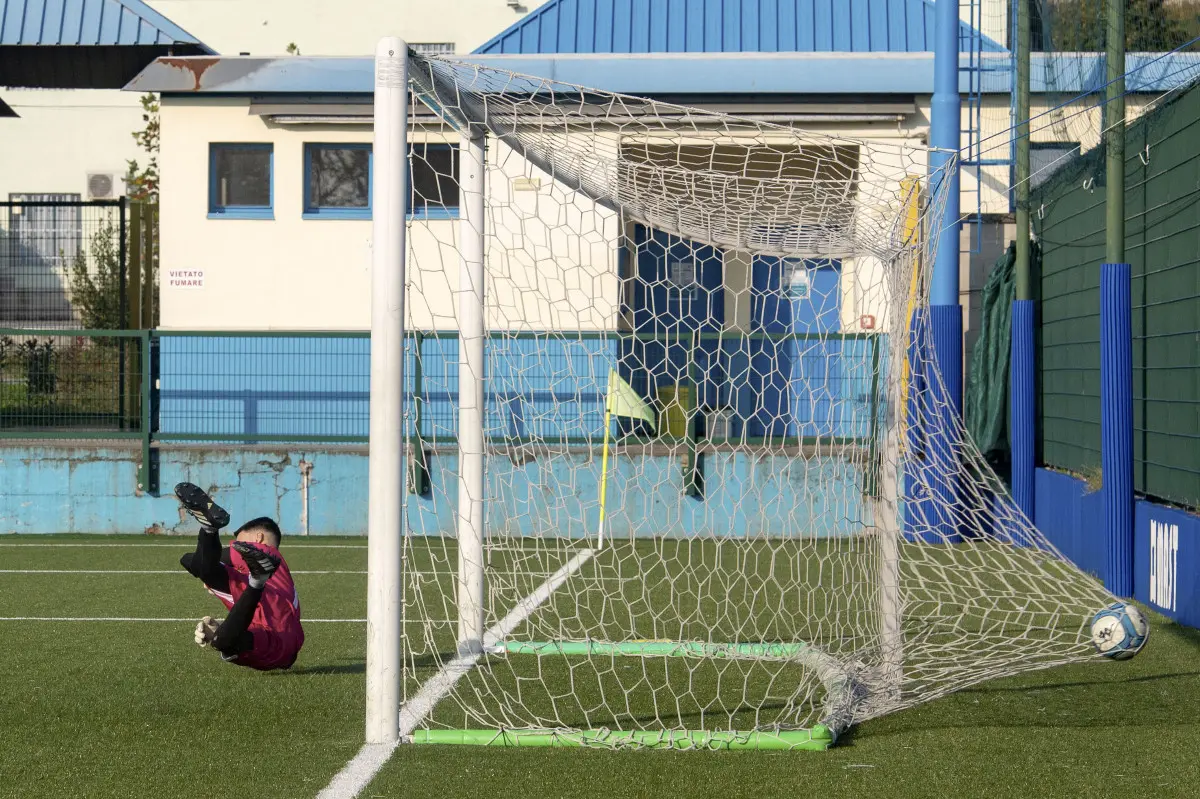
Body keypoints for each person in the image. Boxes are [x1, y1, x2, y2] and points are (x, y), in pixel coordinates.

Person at [175, 482, 305, 671]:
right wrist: (218, 629)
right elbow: (190, 561)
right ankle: (209, 529)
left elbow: (207, 559)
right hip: (271, 639)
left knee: (203, 567)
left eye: (239, 541)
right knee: (221, 640)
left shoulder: (266, 552)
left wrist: (207, 571)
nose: (235, 546)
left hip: (276, 631)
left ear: (258, 538)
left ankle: (210, 531)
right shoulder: (271, 573)